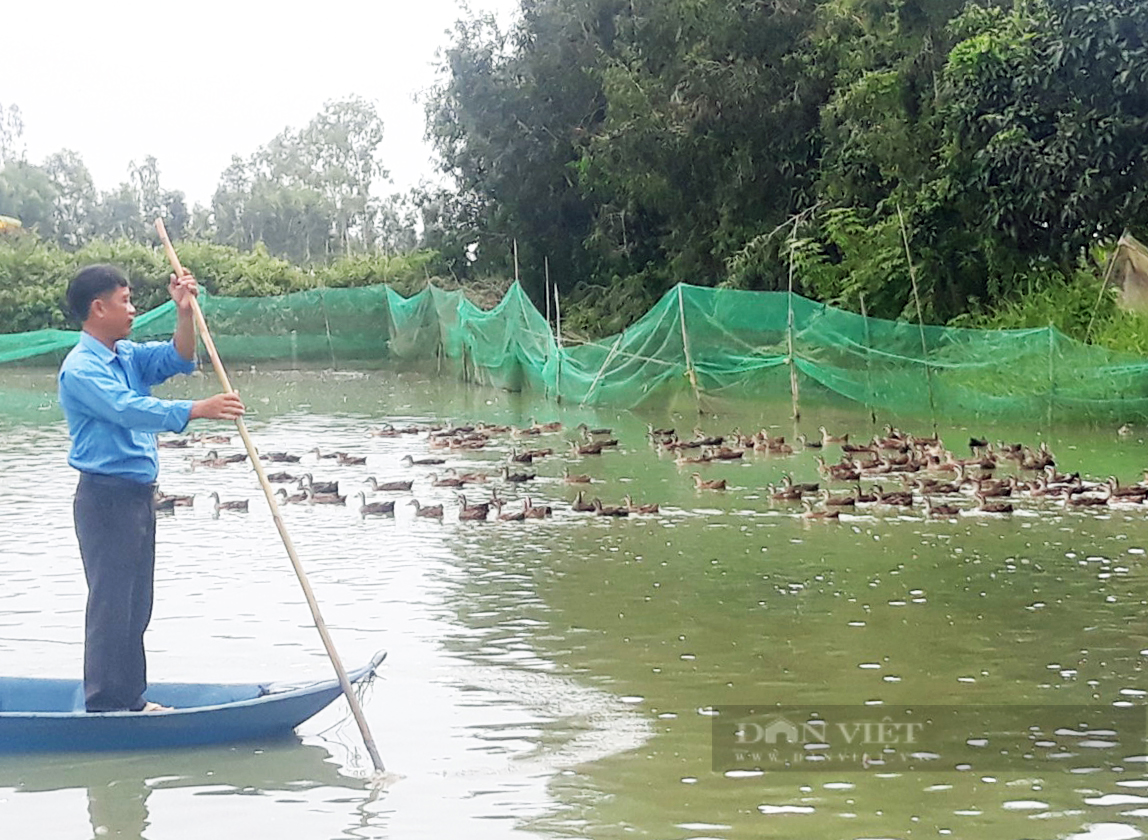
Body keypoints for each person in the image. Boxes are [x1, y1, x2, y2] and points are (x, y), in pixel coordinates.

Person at [58, 264, 245, 712]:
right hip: (105, 496)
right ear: (98, 308)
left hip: (140, 495)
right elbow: (127, 409)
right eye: (125, 301)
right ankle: (105, 703)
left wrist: (185, 313)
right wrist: (198, 409)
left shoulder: (125, 356)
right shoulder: (82, 369)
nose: (132, 309)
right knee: (111, 605)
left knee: (137, 605)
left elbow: (176, 358)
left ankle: (131, 698)